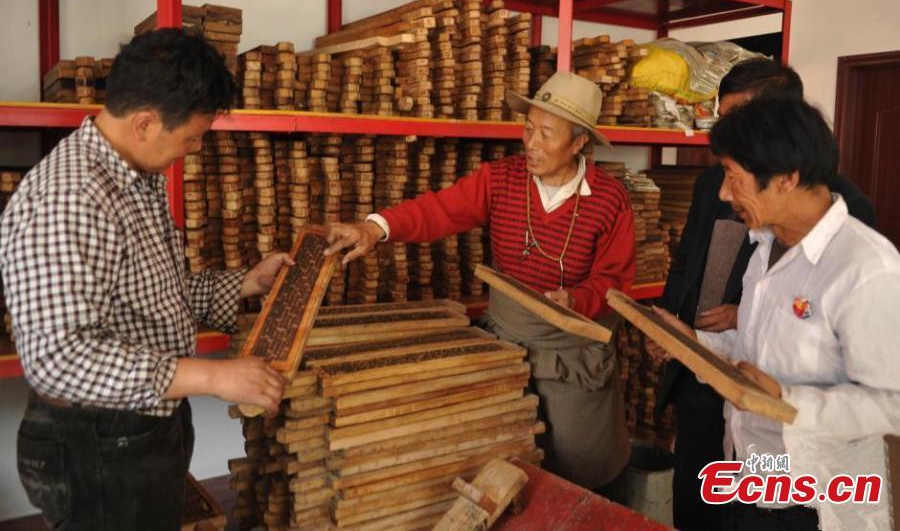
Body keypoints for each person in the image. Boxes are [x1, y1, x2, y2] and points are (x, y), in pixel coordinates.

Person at [0, 29, 289, 530]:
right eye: (193, 136)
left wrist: (245, 284)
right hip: (96, 441)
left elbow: (151, 295)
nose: (196, 148)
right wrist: (212, 375)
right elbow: (57, 358)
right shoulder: (69, 198)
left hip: (141, 425)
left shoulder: (136, 176)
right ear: (146, 122)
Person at [325, 71, 636, 493]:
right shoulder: (500, 179)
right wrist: (375, 228)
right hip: (508, 341)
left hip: (572, 353)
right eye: (528, 130)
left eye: (547, 134)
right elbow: (438, 210)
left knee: (579, 471)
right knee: (510, 465)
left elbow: (615, 281)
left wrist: (578, 300)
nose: (531, 143)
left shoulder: (609, 199)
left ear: (580, 142)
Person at [654, 95, 900, 531]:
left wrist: (788, 402)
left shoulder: (865, 268)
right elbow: (752, 345)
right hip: (748, 478)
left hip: (814, 505)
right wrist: (693, 343)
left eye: (733, 177)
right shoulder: (765, 245)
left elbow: (891, 404)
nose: (724, 193)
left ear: (786, 178)